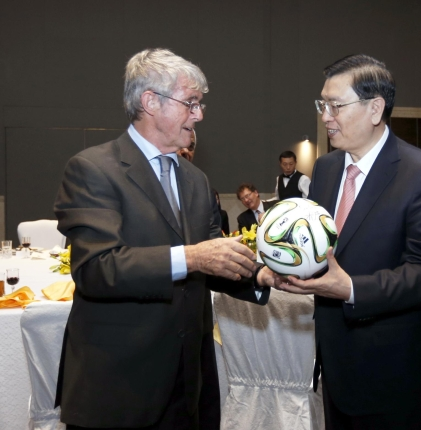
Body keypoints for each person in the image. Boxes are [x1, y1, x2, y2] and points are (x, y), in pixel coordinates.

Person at [53, 48, 276, 430]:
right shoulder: (92, 169)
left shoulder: (196, 180)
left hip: (188, 387)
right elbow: (96, 268)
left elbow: (214, 257)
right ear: (150, 102)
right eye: (191, 103)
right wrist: (190, 257)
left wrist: (262, 275)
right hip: (119, 387)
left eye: (200, 104)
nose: (199, 115)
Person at [274, 54, 421, 429]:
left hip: (396, 371)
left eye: (336, 106)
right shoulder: (326, 168)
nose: (326, 117)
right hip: (335, 364)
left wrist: (352, 289)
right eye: (322, 105)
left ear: (375, 108)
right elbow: (318, 247)